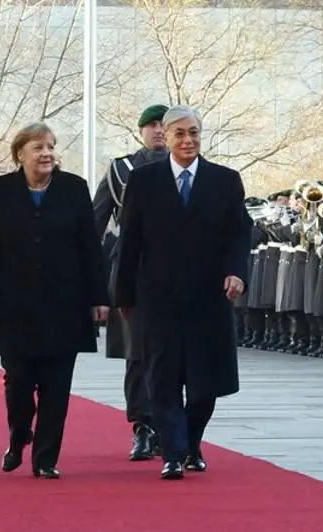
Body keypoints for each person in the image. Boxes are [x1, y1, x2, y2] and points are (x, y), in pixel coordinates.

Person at [114, 105, 252, 479]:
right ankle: (173, 454)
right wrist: (123, 295)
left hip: (208, 297)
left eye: (193, 133)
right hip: (157, 298)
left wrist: (236, 273)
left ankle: (191, 442)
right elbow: (130, 241)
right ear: (167, 138)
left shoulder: (225, 180)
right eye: (180, 134)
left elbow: (239, 233)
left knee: (205, 384)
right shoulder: (143, 181)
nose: (187, 140)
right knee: (163, 378)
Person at [0, 122, 109, 479]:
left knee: (56, 385)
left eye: (50, 146)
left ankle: (46, 458)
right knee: (18, 383)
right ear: (20, 154)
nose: (46, 153)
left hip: (65, 303)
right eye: (38, 147)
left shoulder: (73, 189)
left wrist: (99, 297)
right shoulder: (1, 191)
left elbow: (89, 248)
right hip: (13, 305)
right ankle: (19, 436)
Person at [93, 103, 169, 460]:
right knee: (136, 353)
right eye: (151, 125)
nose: (158, 131)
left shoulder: (187, 168)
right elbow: (95, 223)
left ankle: (172, 425)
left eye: (163, 125)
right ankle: (142, 425)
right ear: (141, 131)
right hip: (133, 269)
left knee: (174, 352)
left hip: (175, 271)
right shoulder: (121, 169)